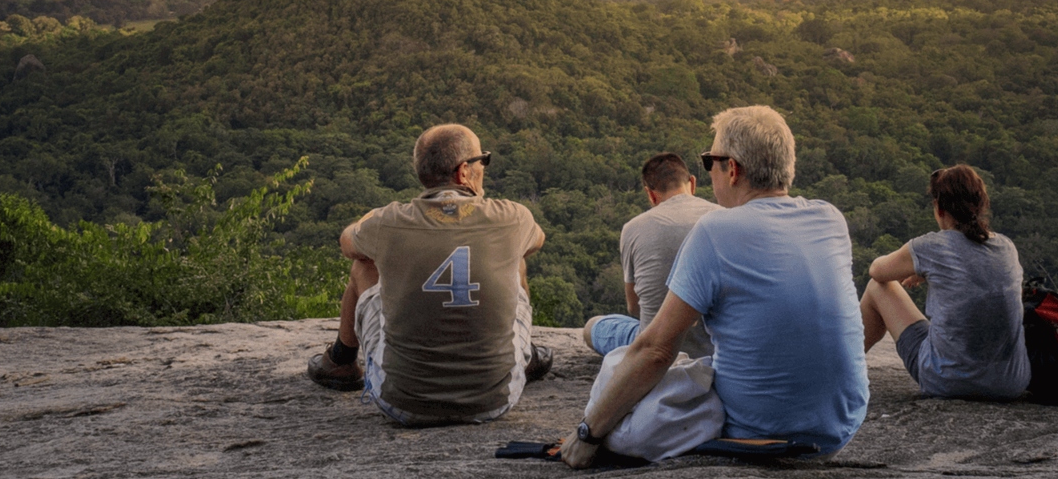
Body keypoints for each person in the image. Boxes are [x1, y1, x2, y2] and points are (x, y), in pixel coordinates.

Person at [561, 106, 868, 467]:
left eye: (710, 161)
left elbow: (656, 349)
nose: (708, 172)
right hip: (839, 430)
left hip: (758, 434)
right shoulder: (830, 218)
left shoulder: (716, 231)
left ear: (733, 170)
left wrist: (588, 433)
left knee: (618, 364)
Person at [307, 123, 551, 424]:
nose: (484, 166)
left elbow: (348, 244)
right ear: (464, 172)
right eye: (482, 160)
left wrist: (376, 225)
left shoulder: (388, 222)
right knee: (516, 260)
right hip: (495, 400)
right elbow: (537, 241)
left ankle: (341, 362)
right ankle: (521, 355)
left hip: (400, 402)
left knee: (363, 266)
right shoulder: (512, 217)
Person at [858, 164, 1030, 400]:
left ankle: (841, 368)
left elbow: (877, 271)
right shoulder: (1006, 247)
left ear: (939, 209)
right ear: (980, 205)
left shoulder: (932, 246)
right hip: (1010, 383)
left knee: (878, 288)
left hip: (948, 381)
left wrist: (920, 264)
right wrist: (929, 271)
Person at [582, 153, 719, 358]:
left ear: (651, 195)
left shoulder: (632, 228)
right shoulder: (722, 217)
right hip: (713, 347)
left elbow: (634, 306)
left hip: (654, 350)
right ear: (692, 182)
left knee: (592, 327)